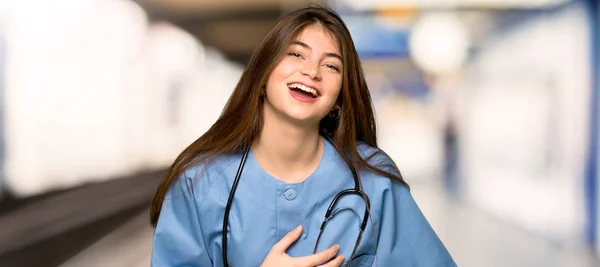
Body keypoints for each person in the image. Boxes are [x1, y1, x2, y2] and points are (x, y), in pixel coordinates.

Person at [150, 6, 456, 267]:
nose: (312, 71)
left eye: (331, 65)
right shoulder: (199, 182)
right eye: (296, 54)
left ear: (339, 97)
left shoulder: (374, 179)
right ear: (262, 73)